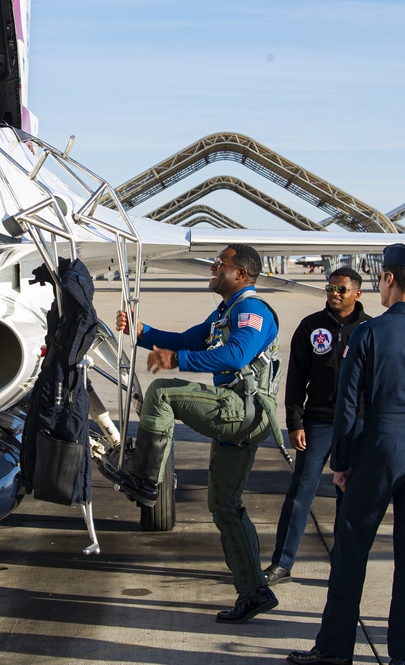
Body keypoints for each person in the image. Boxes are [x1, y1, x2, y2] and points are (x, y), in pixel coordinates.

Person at [288, 244, 405, 665]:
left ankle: (334, 650)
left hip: (381, 445)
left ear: (388, 280)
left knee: (351, 551)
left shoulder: (369, 334)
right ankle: (403, 654)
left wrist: (342, 463)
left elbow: (348, 405)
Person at [109, 243, 281, 624]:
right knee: (223, 505)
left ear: (241, 275)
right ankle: (255, 591)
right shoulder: (227, 310)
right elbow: (188, 340)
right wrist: (142, 332)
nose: (214, 267)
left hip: (239, 409)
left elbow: (235, 356)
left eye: (221, 263)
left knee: (162, 391)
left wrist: (175, 361)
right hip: (234, 413)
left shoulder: (251, 310)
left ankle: (146, 479)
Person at [265, 267, 372, 586]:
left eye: (341, 289)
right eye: (330, 288)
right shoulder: (311, 327)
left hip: (358, 425)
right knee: (301, 492)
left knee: (351, 495)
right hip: (319, 421)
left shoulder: (371, 329)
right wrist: (295, 422)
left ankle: (345, 566)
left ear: (357, 293)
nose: (334, 294)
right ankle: (282, 563)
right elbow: (296, 378)